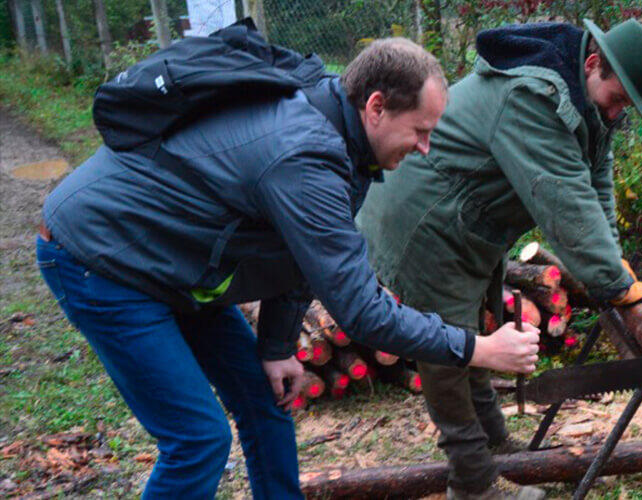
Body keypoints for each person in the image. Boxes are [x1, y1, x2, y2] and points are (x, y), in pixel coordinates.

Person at [35, 36, 539, 499]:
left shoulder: (341, 131)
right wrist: (477, 348)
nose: (425, 147)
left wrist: (276, 347)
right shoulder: (306, 155)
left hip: (176, 261)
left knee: (265, 401)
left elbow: (297, 252)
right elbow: (364, 312)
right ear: (377, 107)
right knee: (198, 439)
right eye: (421, 131)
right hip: (103, 259)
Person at [356, 18, 642, 499]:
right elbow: (564, 202)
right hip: (425, 217)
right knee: (445, 349)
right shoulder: (534, 97)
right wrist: (612, 281)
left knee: (472, 336)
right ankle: (474, 484)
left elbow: (596, 189)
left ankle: (495, 446)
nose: (619, 110)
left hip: (468, 220)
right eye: (619, 97)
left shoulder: (587, 101)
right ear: (592, 64)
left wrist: (617, 270)